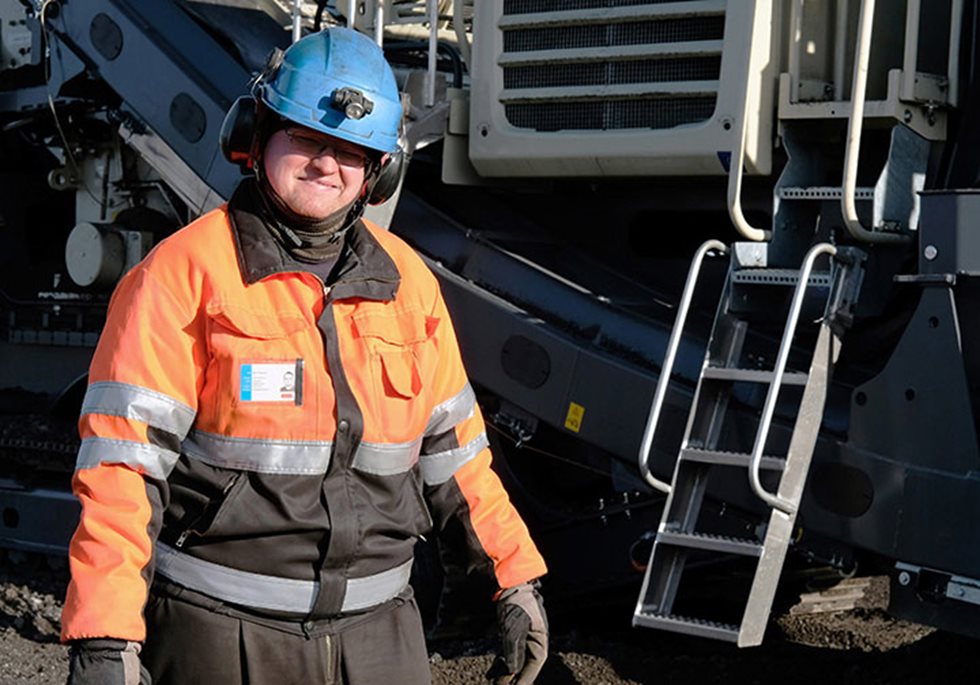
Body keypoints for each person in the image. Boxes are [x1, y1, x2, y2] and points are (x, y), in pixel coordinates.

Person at [61, 27, 548, 685]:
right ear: (256, 135)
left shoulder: (408, 284)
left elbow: (457, 459)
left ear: (380, 173)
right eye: (305, 137)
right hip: (221, 640)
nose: (327, 163)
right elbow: (122, 470)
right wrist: (106, 637)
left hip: (381, 644)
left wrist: (514, 580)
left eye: (352, 150)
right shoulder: (180, 276)